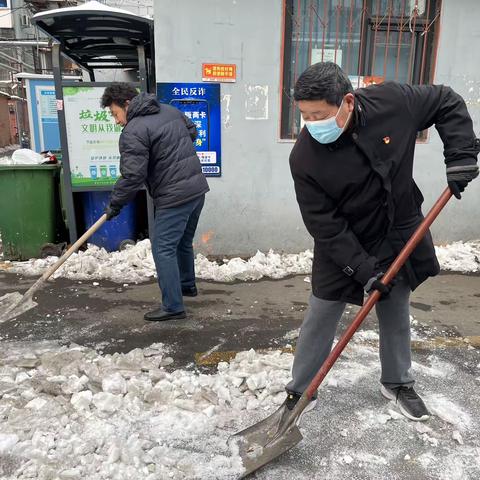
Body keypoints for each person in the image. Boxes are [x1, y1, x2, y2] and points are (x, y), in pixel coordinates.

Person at [283, 62, 479, 422]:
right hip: (343, 239)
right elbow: (323, 224)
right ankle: (300, 390)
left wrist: (461, 155)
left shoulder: (393, 102)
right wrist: (362, 269)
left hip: (396, 229)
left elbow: (445, 101)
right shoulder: (305, 157)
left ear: (346, 101)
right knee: (322, 311)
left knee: (395, 304)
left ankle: (398, 382)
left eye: (319, 115)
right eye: (305, 116)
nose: (312, 124)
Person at [100, 83, 209, 321]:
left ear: (127, 104)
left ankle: (172, 306)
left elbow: (133, 175)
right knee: (182, 242)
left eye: (115, 113)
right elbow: (192, 133)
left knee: (163, 248)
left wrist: (115, 204)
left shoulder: (134, 130)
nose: (117, 120)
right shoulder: (169, 110)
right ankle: (186, 285)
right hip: (196, 190)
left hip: (174, 196)